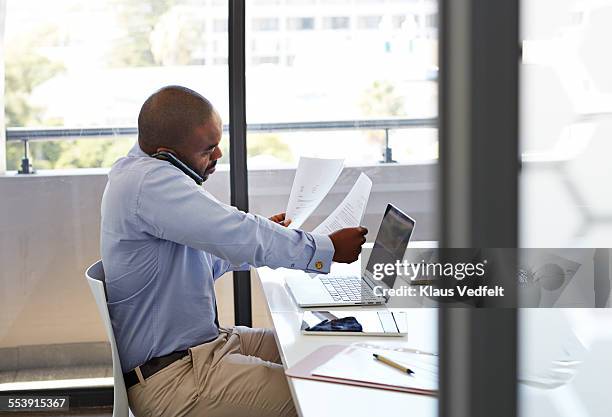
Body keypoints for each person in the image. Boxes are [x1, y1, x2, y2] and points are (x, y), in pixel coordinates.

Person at [100, 85, 368, 417]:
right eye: (208, 149)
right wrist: (326, 249)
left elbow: (213, 254)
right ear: (166, 151)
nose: (218, 156)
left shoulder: (147, 173)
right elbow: (238, 230)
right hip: (176, 378)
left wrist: (270, 236)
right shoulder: (149, 183)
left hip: (205, 347)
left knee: (325, 348)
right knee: (322, 393)